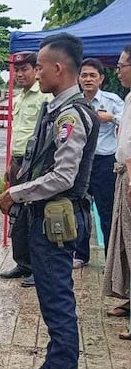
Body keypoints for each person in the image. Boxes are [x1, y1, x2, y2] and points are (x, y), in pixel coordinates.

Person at [0, 33, 99, 369]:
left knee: (58, 306)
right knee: (50, 301)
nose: (35, 73)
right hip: (45, 219)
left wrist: (17, 193)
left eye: (39, 67)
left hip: (56, 219)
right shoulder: (57, 108)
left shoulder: (71, 114)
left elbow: (64, 176)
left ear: (58, 68)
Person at [0, 51, 53, 288]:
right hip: (18, 162)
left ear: (36, 70)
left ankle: (38, 267)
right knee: (18, 216)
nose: (20, 74)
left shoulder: (44, 97)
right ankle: (22, 262)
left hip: (36, 164)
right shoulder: (18, 98)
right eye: (16, 70)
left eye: (25, 69)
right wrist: (10, 163)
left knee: (35, 215)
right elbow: (18, 134)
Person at [73, 58, 125, 269]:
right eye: (84, 75)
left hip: (105, 162)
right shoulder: (76, 101)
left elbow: (126, 120)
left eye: (92, 75)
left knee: (106, 211)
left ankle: (110, 260)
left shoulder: (112, 100)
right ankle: (80, 255)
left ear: (101, 79)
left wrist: (110, 117)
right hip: (81, 161)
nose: (88, 79)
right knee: (81, 209)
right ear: (78, 78)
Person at [106, 45, 131, 331]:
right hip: (123, 172)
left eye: (123, 64)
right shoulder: (127, 98)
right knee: (123, 240)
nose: (119, 69)